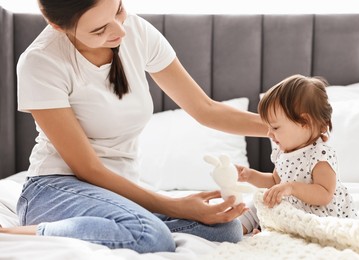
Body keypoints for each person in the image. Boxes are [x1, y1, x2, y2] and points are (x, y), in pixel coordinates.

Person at [0, 0, 269, 253]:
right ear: (59, 27)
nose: (120, 30)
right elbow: (87, 168)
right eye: (99, 29)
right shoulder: (41, 61)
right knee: (150, 236)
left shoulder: (137, 31)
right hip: (56, 189)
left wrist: (284, 131)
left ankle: (124, 227)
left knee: (227, 228)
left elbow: (205, 109)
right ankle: (19, 232)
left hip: (118, 194)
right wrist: (175, 206)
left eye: (118, 9)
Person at [237, 74, 357, 235]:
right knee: (258, 201)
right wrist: (251, 176)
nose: (269, 134)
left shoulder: (320, 155)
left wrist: (292, 188)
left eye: (275, 128)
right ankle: (235, 229)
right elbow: (275, 182)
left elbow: (325, 194)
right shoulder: (283, 153)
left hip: (318, 217)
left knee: (294, 226)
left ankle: (270, 235)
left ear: (304, 123)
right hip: (292, 210)